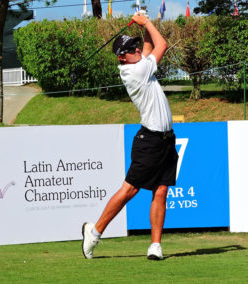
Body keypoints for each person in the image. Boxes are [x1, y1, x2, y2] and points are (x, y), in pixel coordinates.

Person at [82, 13, 178, 261]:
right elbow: (162, 45)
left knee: (161, 191)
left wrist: (143, 25)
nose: (137, 48)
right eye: (131, 48)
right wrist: (146, 23)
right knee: (130, 190)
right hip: (150, 141)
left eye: (135, 45)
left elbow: (147, 46)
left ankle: (155, 246)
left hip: (166, 140)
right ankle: (94, 233)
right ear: (122, 57)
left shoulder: (139, 64)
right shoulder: (135, 72)